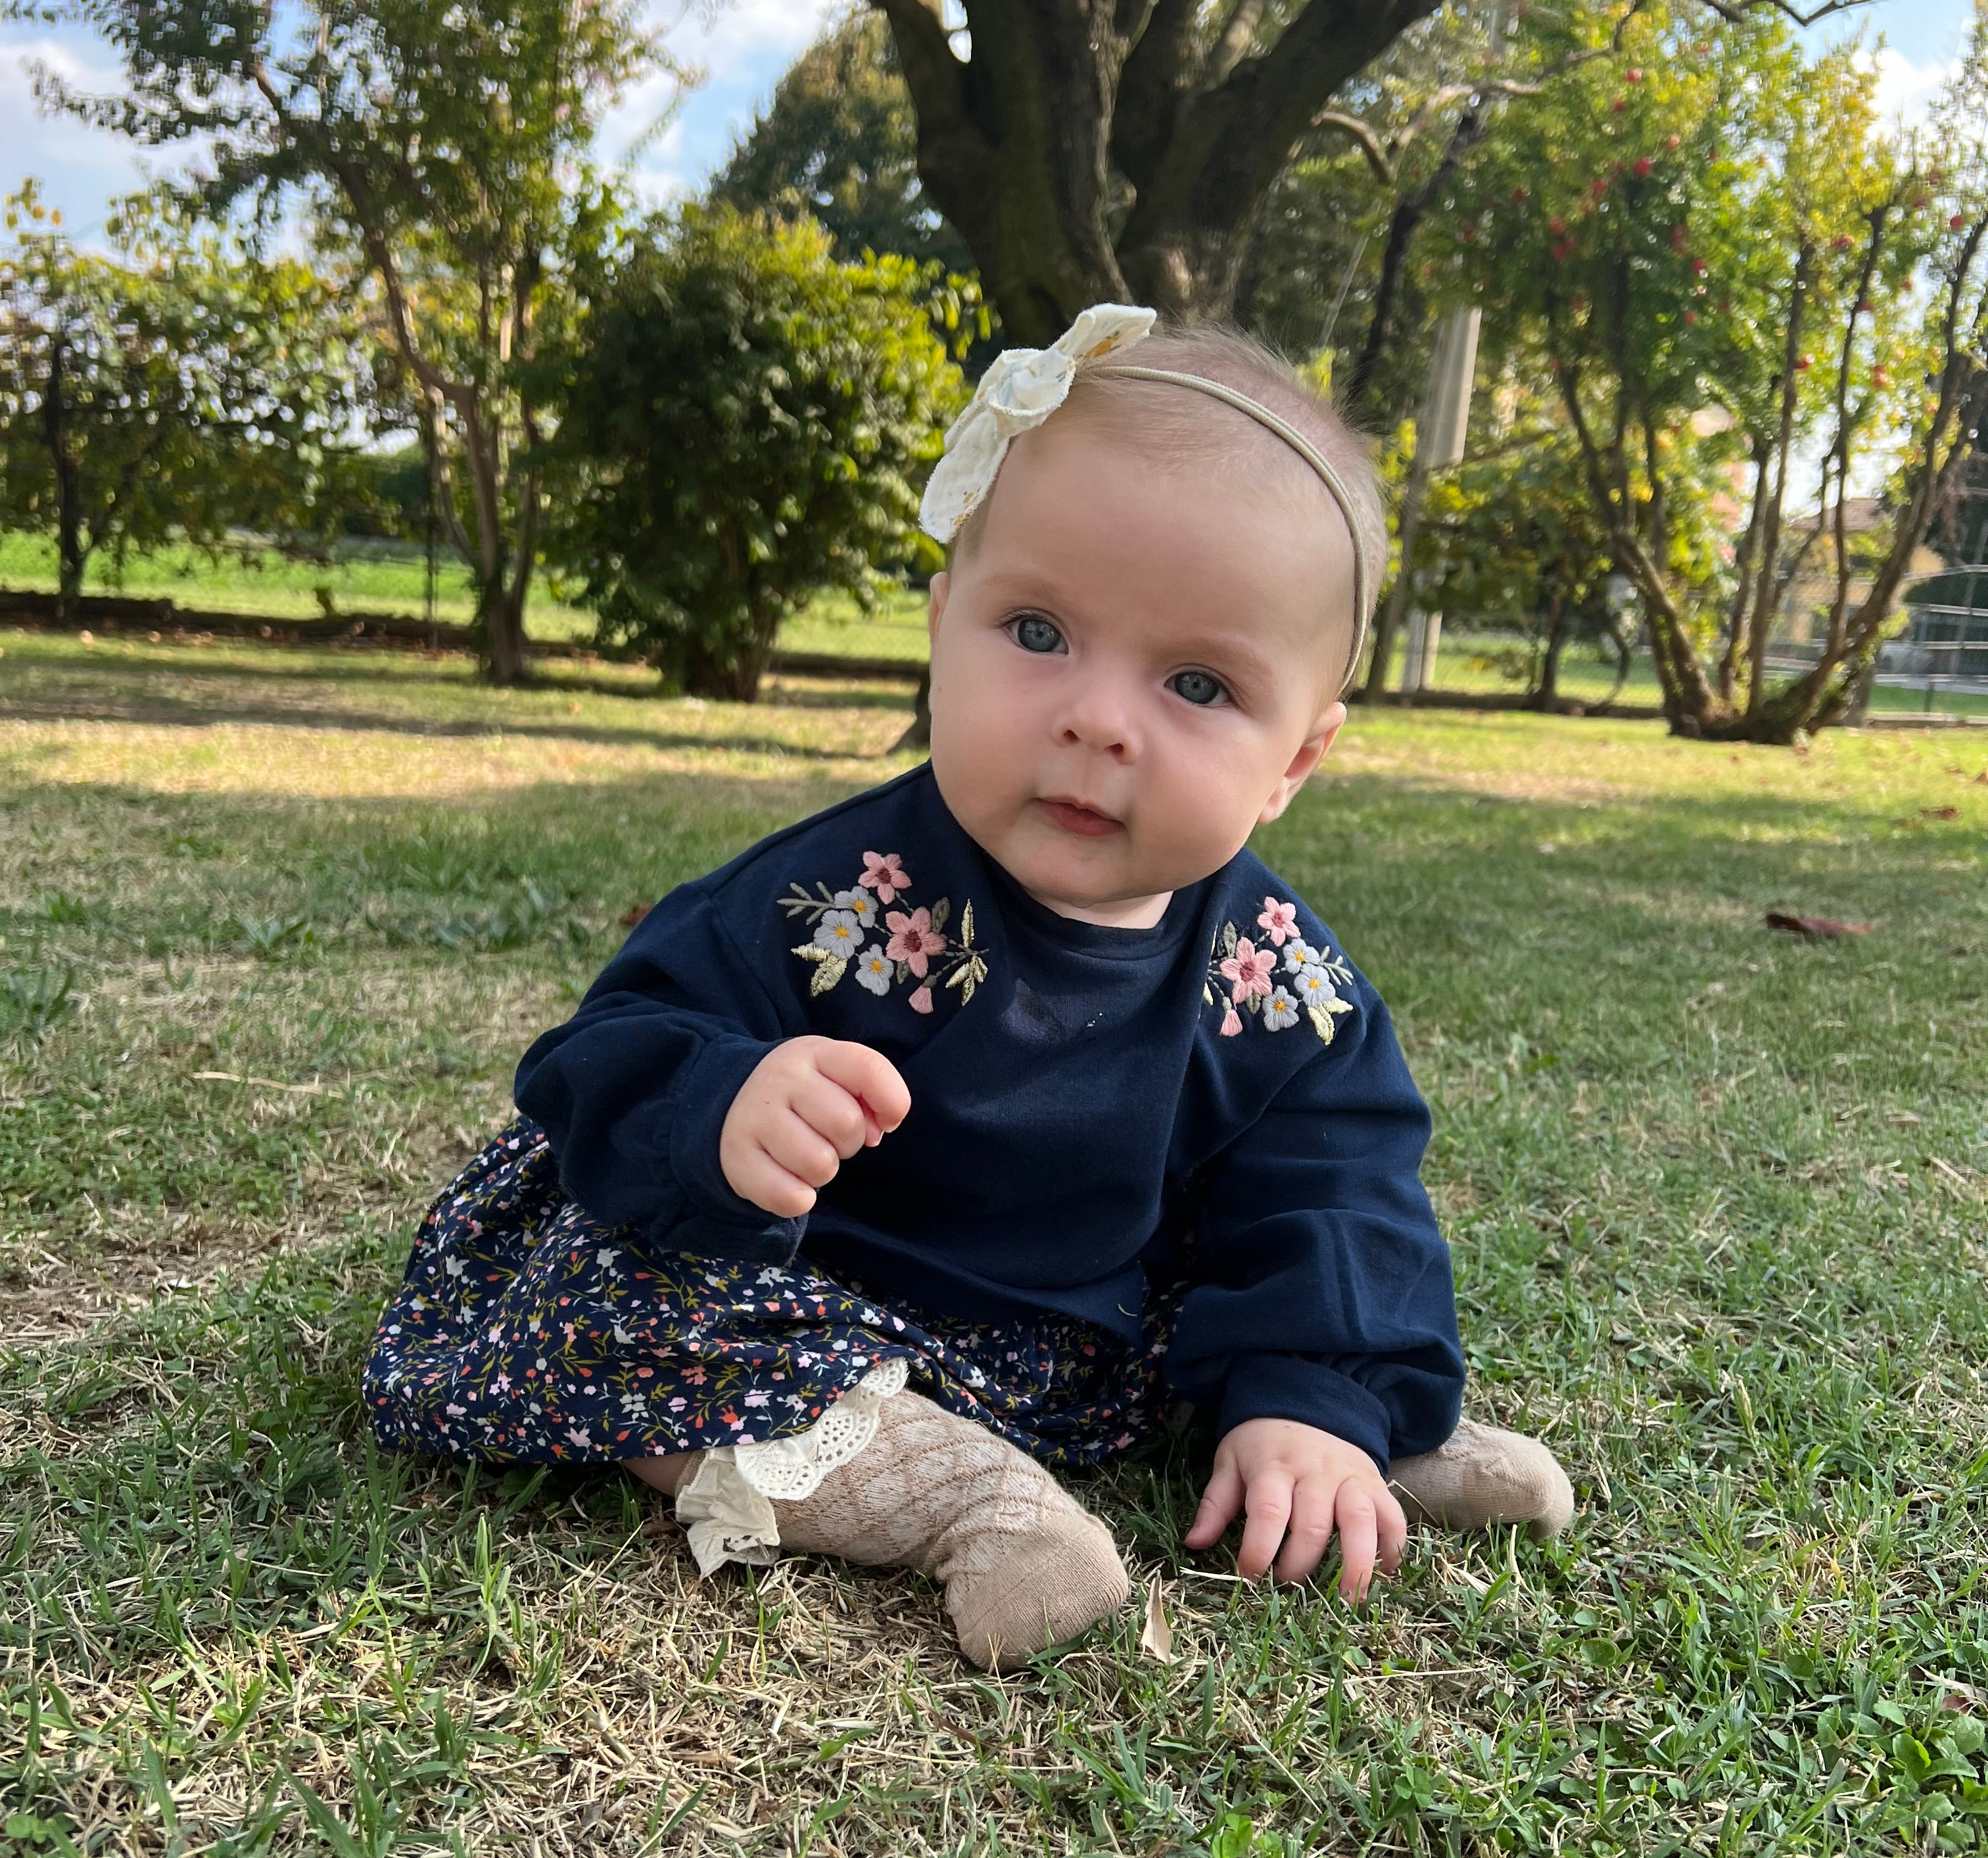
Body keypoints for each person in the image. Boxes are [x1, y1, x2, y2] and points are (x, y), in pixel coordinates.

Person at [364, 307, 1573, 1670]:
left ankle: (1321, 1434)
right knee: (614, 1303)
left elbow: (1333, 1190)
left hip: (1078, 1329)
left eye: (1197, 682)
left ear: (1296, 758)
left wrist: (1313, 1388)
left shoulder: (1279, 980)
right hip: (809, 1289)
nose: (1097, 718)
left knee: (1290, 1311)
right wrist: (726, 1105)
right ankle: (957, 1498)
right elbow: (613, 1047)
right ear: (944, 629)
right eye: (1038, 630)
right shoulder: (835, 897)